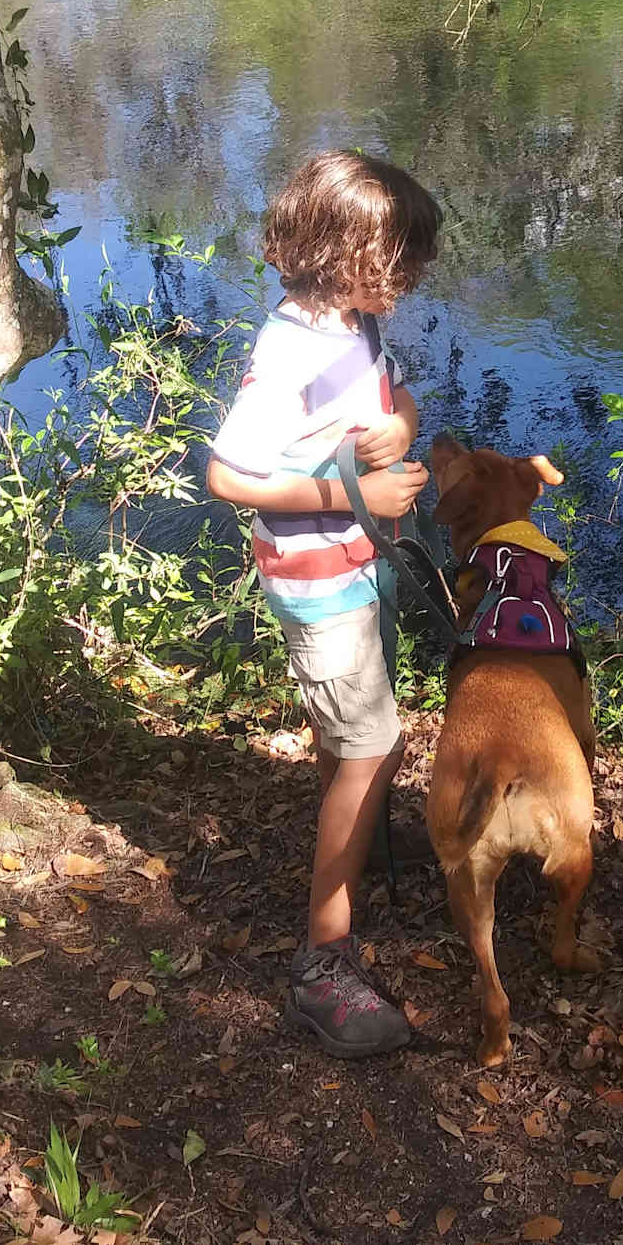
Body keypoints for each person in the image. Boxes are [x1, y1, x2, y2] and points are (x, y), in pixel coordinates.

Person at [207, 149, 442, 1057]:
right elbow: (230, 474)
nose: (412, 278)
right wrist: (354, 498)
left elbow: (396, 404)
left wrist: (400, 428)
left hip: (361, 566)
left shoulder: (350, 325)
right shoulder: (289, 351)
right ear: (347, 254)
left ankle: (368, 841)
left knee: (355, 738)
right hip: (320, 579)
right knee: (373, 739)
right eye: (402, 261)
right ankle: (324, 963)